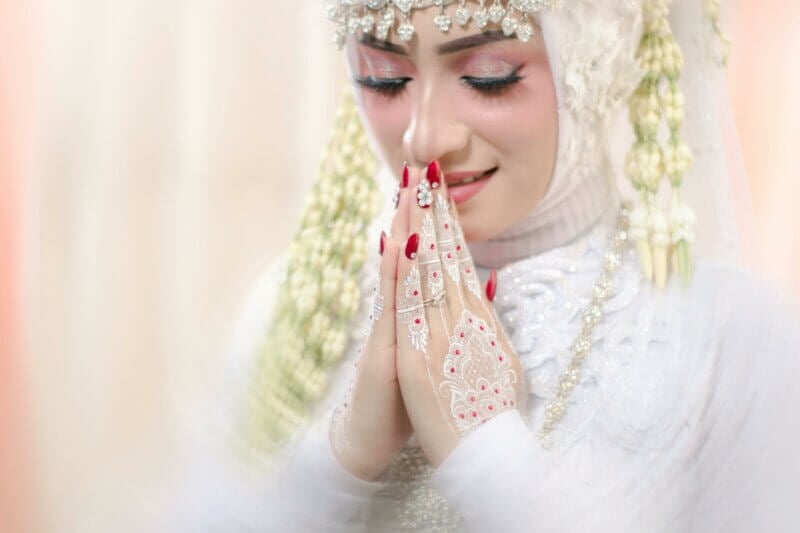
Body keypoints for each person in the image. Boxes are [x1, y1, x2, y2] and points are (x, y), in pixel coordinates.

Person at [214, 1, 800, 531]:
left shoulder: (733, 338)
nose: (424, 139)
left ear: (593, 60)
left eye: (488, 78)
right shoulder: (302, 310)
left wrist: (488, 454)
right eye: (383, 79)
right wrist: (335, 462)